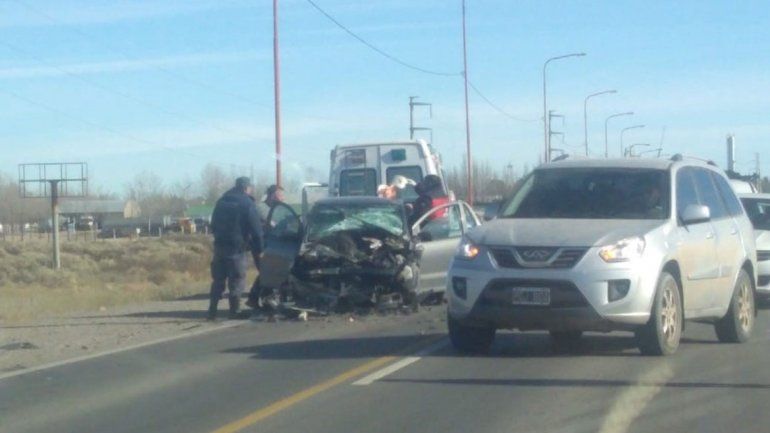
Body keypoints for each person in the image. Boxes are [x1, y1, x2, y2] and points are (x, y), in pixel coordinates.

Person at [208, 177, 264, 320]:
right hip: (237, 248)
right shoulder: (247, 203)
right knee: (237, 279)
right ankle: (234, 310)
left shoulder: (221, 201)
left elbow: (213, 224)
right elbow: (257, 230)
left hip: (219, 247)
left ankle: (212, 310)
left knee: (218, 279)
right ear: (246, 188)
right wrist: (260, 249)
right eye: (251, 188)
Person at [246, 184, 284, 310]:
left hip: (271, 245)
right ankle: (256, 298)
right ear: (272, 195)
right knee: (266, 272)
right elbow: (273, 224)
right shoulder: (261, 208)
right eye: (280, 195)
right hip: (260, 245)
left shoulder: (277, 208)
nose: (282, 198)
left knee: (268, 272)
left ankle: (262, 299)